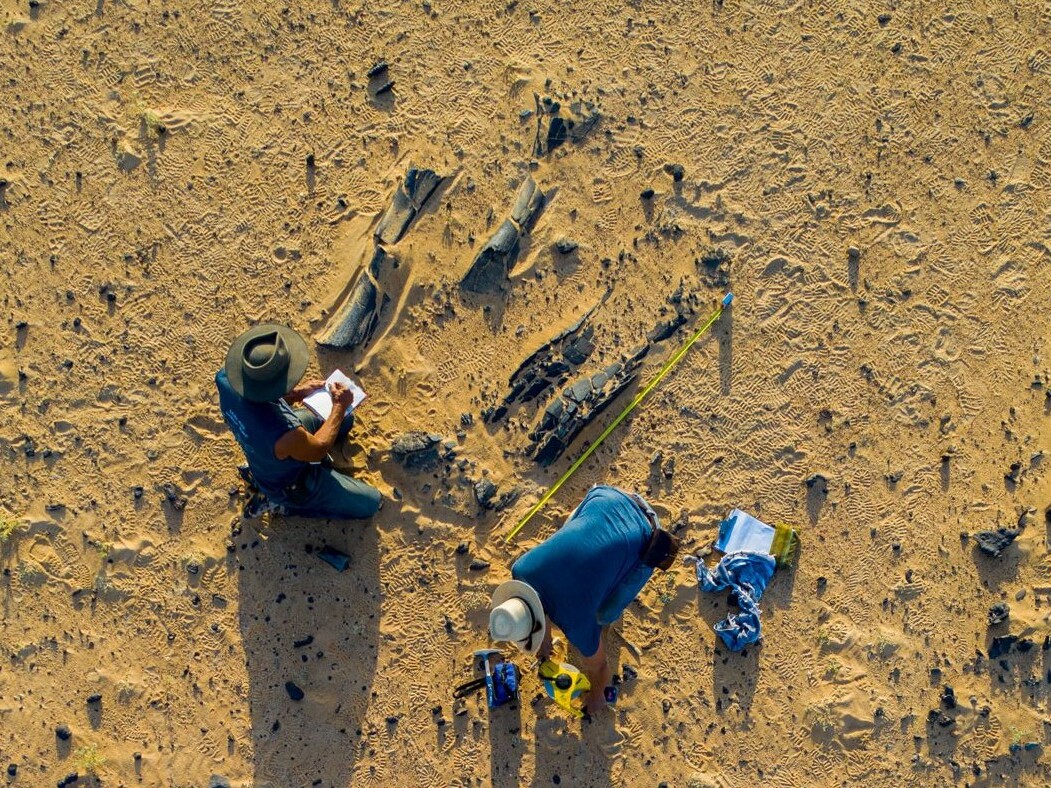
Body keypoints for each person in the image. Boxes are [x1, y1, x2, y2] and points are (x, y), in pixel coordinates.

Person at [489, 485, 678, 715]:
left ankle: (609, 606)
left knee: (605, 614)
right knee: (572, 532)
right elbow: (537, 597)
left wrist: (597, 695)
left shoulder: (576, 622)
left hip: (647, 533)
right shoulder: (520, 570)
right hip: (605, 497)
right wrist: (544, 635)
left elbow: (599, 668)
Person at [215, 323, 381, 520]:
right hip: (287, 483)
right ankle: (283, 504)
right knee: (370, 502)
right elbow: (318, 448)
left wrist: (296, 394)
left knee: (345, 420)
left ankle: (261, 477)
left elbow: (254, 404)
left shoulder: (226, 379)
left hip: (264, 452)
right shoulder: (285, 433)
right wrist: (339, 405)